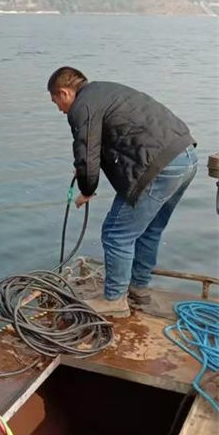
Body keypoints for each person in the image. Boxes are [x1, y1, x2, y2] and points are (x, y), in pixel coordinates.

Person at [48, 66, 197, 317]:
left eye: (56, 102)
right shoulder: (104, 91)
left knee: (116, 234)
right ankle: (138, 289)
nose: (59, 109)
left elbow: (86, 151)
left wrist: (86, 189)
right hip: (186, 157)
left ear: (64, 93)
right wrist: (84, 169)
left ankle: (115, 300)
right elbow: (107, 143)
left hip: (160, 167)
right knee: (149, 230)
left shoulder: (80, 107)